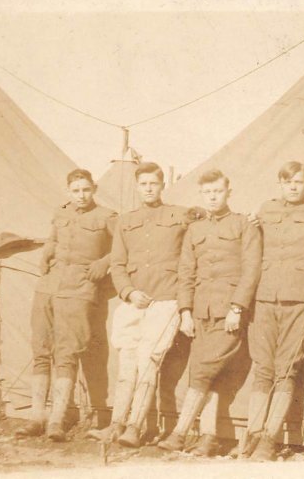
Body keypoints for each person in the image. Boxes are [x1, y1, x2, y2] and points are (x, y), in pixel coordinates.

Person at [86, 162, 201, 447]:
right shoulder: (125, 221)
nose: (149, 188)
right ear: (137, 187)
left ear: (162, 186)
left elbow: (203, 225)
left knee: (148, 362)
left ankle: (135, 427)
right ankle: (115, 424)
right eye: (144, 184)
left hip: (165, 300)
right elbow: (118, 263)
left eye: (154, 183)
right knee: (126, 364)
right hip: (134, 302)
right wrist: (127, 292)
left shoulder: (179, 216)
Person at [157, 169, 262, 457]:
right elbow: (186, 272)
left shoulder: (244, 225)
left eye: (218, 191)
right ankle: (208, 437)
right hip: (201, 312)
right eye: (207, 192)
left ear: (229, 192)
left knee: (203, 370)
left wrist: (237, 307)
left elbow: (251, 270)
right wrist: (186, 311)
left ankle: (179, 433)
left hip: (230, 313)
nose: (213, 197)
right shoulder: (195, 229)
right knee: (210, 374)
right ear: (201, 195)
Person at [236, 161, 304, 461]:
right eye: (288, 181)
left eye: (299, 181)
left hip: (301, 298)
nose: (293, 186)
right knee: (263, 367)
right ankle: (253, 433)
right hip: (266, 297)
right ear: (280, 183)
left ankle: (270, 438)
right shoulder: (265, 210)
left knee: (287, 367)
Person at [15, 169, 117, 441]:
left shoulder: (106, 217)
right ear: (68, 191)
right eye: (76, 190)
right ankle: (36, 417)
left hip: (79, 289)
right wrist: (47, 251)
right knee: (41, 350)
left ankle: (57, 421)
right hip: (48, 287)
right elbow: (54, 238)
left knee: (66, 353)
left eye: (86, 189)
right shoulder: (61, 214)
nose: (81, 195)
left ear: (94, 189)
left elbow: (123, 246)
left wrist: (103, 263)